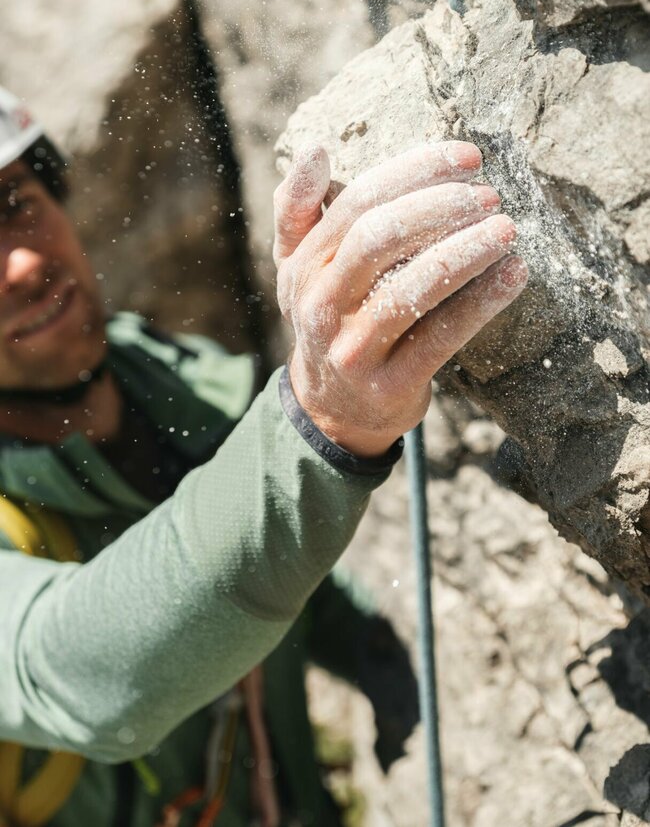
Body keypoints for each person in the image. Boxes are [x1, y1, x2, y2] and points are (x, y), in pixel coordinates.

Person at [0, 84, 527, 827]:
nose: (20, 265)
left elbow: (288, 591)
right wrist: (320, 427)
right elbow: (76, 674)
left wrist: (374, 648)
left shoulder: (174, 384)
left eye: (13, 202)